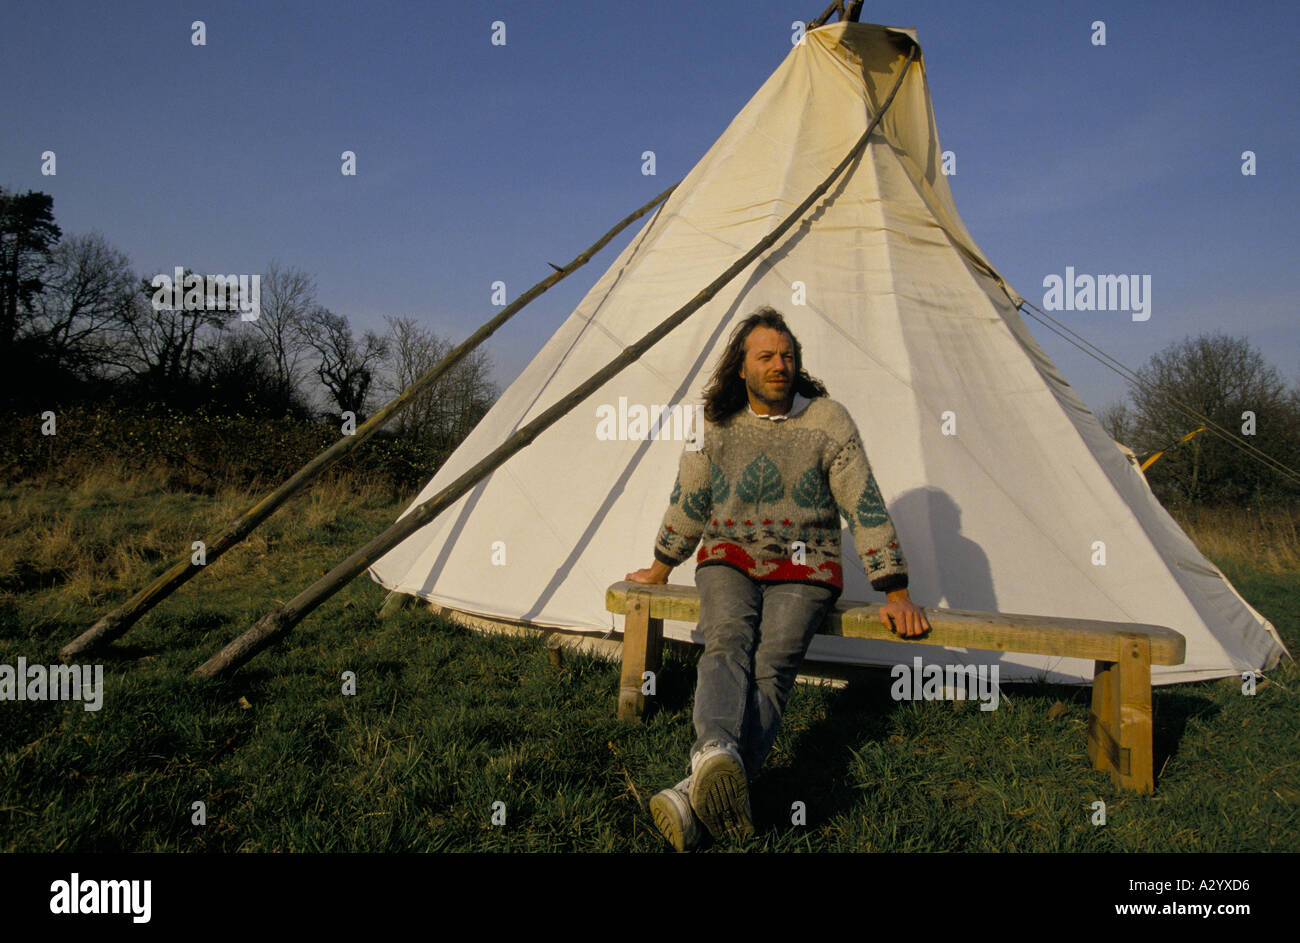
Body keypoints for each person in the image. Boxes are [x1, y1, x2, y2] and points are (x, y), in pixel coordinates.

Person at [625, 306, 929, 851]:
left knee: (774, 662)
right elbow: (690, 498)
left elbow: (863, 501)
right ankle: (716, 755)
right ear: (741, 367)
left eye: (787, 356)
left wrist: (896, 590)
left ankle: (696, 796)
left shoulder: (829, 421)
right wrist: (661, 565)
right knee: (726, 640)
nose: (778, 365)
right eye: (765, 356)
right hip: (728, 554)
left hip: (806, 561)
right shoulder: (714, 424)